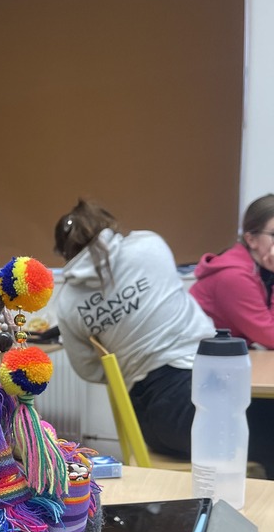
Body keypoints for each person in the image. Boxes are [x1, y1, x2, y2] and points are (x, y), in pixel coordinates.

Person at [53, 198, 215, 459]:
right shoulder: (150, 245)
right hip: (199, 395)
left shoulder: (68, 303)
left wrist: (130, 365)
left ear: (64, 252)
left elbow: (89, 369)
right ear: (108, 225)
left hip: (150, 422)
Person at [190, 194, 274, 348]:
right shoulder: (234, 276)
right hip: (193, 357)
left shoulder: (263, 269)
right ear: (251, 240)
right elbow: (271, 337)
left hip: (224, 352)